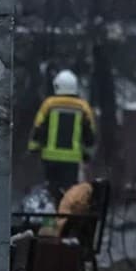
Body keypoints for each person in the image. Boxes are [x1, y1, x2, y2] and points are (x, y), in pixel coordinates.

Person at [28, 70, 97, 204]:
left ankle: (49, 220)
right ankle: (65, 222)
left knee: (50, 193)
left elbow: (38, 128)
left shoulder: (49, 104)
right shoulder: (83, 107)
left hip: (49, 159)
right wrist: (87, 155)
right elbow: (90, 135)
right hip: (71, 162)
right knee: (69, 196)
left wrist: (34, 149)